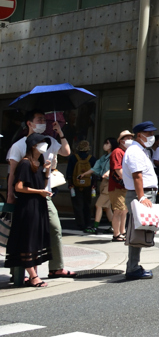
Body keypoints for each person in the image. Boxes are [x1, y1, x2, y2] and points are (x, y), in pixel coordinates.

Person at [5, 109, 74, 283]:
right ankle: (24, 274)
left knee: (53, 229)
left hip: (45, 194)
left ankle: (56, 268)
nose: (43, 121)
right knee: (27, 235)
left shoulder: (49, 141)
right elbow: (13, 174)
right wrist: (10, 195)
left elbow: (66, 152)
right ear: (29, 123)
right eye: (39, 119)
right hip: (27, 198)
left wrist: (60, 132)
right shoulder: (19, 146)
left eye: (44, 119)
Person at [5, 134, 54, 288]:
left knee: (35, 239)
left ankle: (34, 274)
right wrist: (38, 192)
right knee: (28, 240)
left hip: (38, 205)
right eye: (41, 143)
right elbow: (19, 187)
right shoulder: (25, 164)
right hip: (28, 207)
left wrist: (46, 171)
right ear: (33, 145)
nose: (44, 146)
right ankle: (33, 276)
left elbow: (42, 184)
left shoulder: (38, 163)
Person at [123, 121, 159, 280]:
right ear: (140, 135)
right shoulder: (135, 151)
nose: (152, 137)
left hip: (144, 193)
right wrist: (142, 197)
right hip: (141, 194)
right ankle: (132, 268)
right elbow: (137, 176)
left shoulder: (141, 150)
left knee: (141, 230)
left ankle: (134, 266)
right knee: (137, 232)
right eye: (149, 134)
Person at [87, 137, 116, 235]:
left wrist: (108, 172)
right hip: (104, 182)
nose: (105, 145)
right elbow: (95, 168)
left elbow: (114, 167)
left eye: (107, 143)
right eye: (105, 143)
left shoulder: (114, 155)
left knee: (98, 205)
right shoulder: (104, 157)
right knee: (107, 207)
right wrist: (83, 174)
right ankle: (113, 227)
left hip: (110, 183)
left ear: (112, 144)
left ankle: (95, 227)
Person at [66, 140, 96, 231]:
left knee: (77, 204)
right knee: (87, 204)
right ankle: (87, 222)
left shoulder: (73, 158)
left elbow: (69, 172)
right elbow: (94, 172)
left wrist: (70, 183)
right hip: (88, 184)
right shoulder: (92, 159)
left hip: (76, 184)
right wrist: (94, 184)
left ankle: (80, 223)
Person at [109, 130, 132, 242]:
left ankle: (122, 232)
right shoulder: (117, 152)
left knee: (124, 210)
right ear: (121, 141)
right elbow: (118, 169)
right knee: (118, 210)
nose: (129, 140)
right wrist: (128, 181)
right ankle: (116, 233)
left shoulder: (126, 152)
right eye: (127, 138)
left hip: (123, 186)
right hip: (117, 186)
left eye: (130, 138)